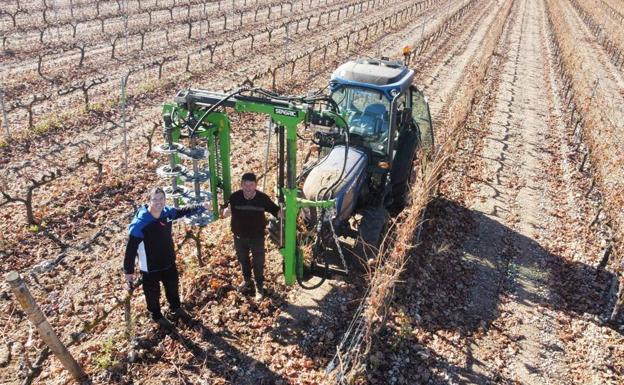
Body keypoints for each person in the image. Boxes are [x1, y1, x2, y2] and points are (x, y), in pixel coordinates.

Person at [124, 187, 210, 327]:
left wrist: (201, 207)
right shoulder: (140, 224)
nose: (159, 202)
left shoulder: (167, 213)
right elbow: (131, 249)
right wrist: (128, 271)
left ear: (165, 199)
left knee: (172, 287)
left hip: (168, 261)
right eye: (155, 199)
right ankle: (157, 316)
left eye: (161, 199)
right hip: (150, 267)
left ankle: (176, 308)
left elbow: (183, 211)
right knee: (152, 294)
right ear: (149, 201)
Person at [223, 172, 280, 300]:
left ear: (255, 185)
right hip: (239, 236)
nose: (248, 188)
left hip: (257, 237)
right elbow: (225, 209)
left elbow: (276, 211)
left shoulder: (262, 199)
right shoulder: (234, 197)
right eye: (245, 185)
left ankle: (259, 287)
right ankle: (247, 280)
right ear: (241, 185)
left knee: (258, 263)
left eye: (251, 185)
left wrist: (285, 212)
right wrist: (226, 211)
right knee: (243, 260)